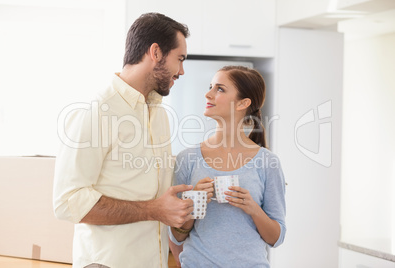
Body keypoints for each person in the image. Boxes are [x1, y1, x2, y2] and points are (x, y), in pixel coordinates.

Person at [53, 13, 195, 268]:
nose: (182, 71)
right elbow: (67, 202)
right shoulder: (96, 112)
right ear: (155, 52)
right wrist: (153, 210)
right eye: (180, 59)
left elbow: (156, 193)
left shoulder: (159, 113)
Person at [169, 66, 287, 267]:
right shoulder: (186, 159)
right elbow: (176, 236)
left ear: (243, 103)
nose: (208, 94)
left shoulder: (268, 162)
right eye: (210, 87)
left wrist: (253, 209)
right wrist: (194, 202)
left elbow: (276, 238)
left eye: (220, 89)